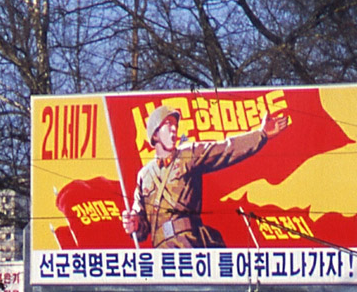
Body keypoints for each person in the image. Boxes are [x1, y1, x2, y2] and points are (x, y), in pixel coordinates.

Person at [122, 103, 290, 248]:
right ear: (155, 134)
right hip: (160, 252)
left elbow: (226, 149)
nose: (174, 129)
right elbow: (142, 228)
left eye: (175, 125)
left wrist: (261, 135)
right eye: (168, 124)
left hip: (187, 242)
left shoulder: (188, 154)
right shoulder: (144, 175)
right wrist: (134, 223)